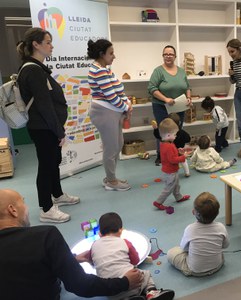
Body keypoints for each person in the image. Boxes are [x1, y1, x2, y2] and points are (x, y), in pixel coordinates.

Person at [0, 189, 143, 300]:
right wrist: (124, 282)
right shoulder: (44, 236)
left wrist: (69, 259)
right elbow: (81, 285)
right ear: (13, 210)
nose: (27, 208)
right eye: (23, 202)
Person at [16, 27, 79, 223]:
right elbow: (44, 105)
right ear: (36, 44)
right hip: (43, 128)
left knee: (53, 163)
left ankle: (57, 194)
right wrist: (59, 131)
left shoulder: (37, 68)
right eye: (48, 42)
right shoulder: (33, 70)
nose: (52, 46)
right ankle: (46, 208)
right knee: (46, 166)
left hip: (47, 127)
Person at [75, 212, 175, 300]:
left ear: (100, 233)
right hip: (133, 283)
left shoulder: (94, 246)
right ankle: (151, 292)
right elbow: (135, 260)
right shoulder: (124, 242)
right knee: (146, 274)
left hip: (108, 291)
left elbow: (93, 262)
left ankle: (127, 298)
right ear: (121, 230)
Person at [87, 39, 133, 191]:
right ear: (102, 54)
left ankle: (111, 177)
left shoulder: (105, 68)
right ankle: (111, 181)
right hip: (104, 112)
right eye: (111, 53)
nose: (114, 56)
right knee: (111, 147)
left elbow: (118, 90)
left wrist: (127, 102)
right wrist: (125, 106)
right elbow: (110, 96)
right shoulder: (98, 70)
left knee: (117, 145)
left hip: (112, 111)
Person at [167, 192, 230, 276]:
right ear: (217, 213)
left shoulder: (190, 229)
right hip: (217, 265)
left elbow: (184, 248)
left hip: (195, 271)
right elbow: (225, 245)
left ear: (193, 212)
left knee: (171, 252)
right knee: (218, 252)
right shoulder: (221, 227)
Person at [148, 45, 191, 166]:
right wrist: (165, 99)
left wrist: (188, 98)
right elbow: (151, 88)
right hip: (161, 106)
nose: (168, 56)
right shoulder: (158, 71)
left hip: (179, 107)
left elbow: (187, 87)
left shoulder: (181, 71)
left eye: (170, 54)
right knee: (163, 131)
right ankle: (161, 155)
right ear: (162, 56)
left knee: (177, 131)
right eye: (165, 54)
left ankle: (175, 153)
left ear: (175, 56)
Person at [153, 118, 190, 210]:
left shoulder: (166, 143)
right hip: (170, 172)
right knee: (169, 188)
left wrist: (178, 151)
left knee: (176, 185)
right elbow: (172, 160)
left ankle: (179, 197)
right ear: (169, 135)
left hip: (171, 171)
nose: (176, 136)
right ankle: (158, 202)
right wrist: (183, 157)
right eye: (174, 134)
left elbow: (170, 155)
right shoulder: (168, 146)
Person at [152, 113, 191, 177]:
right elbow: (188, 139)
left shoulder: (165, 135)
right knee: (183, 162)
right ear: (179, 123)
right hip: (176, 152)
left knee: (177, 162)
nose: (174, 136)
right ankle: (187, 172)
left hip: (177, 152)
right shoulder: (181, 132)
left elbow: (158, 135)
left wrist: (156, 129)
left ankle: (185, 172)